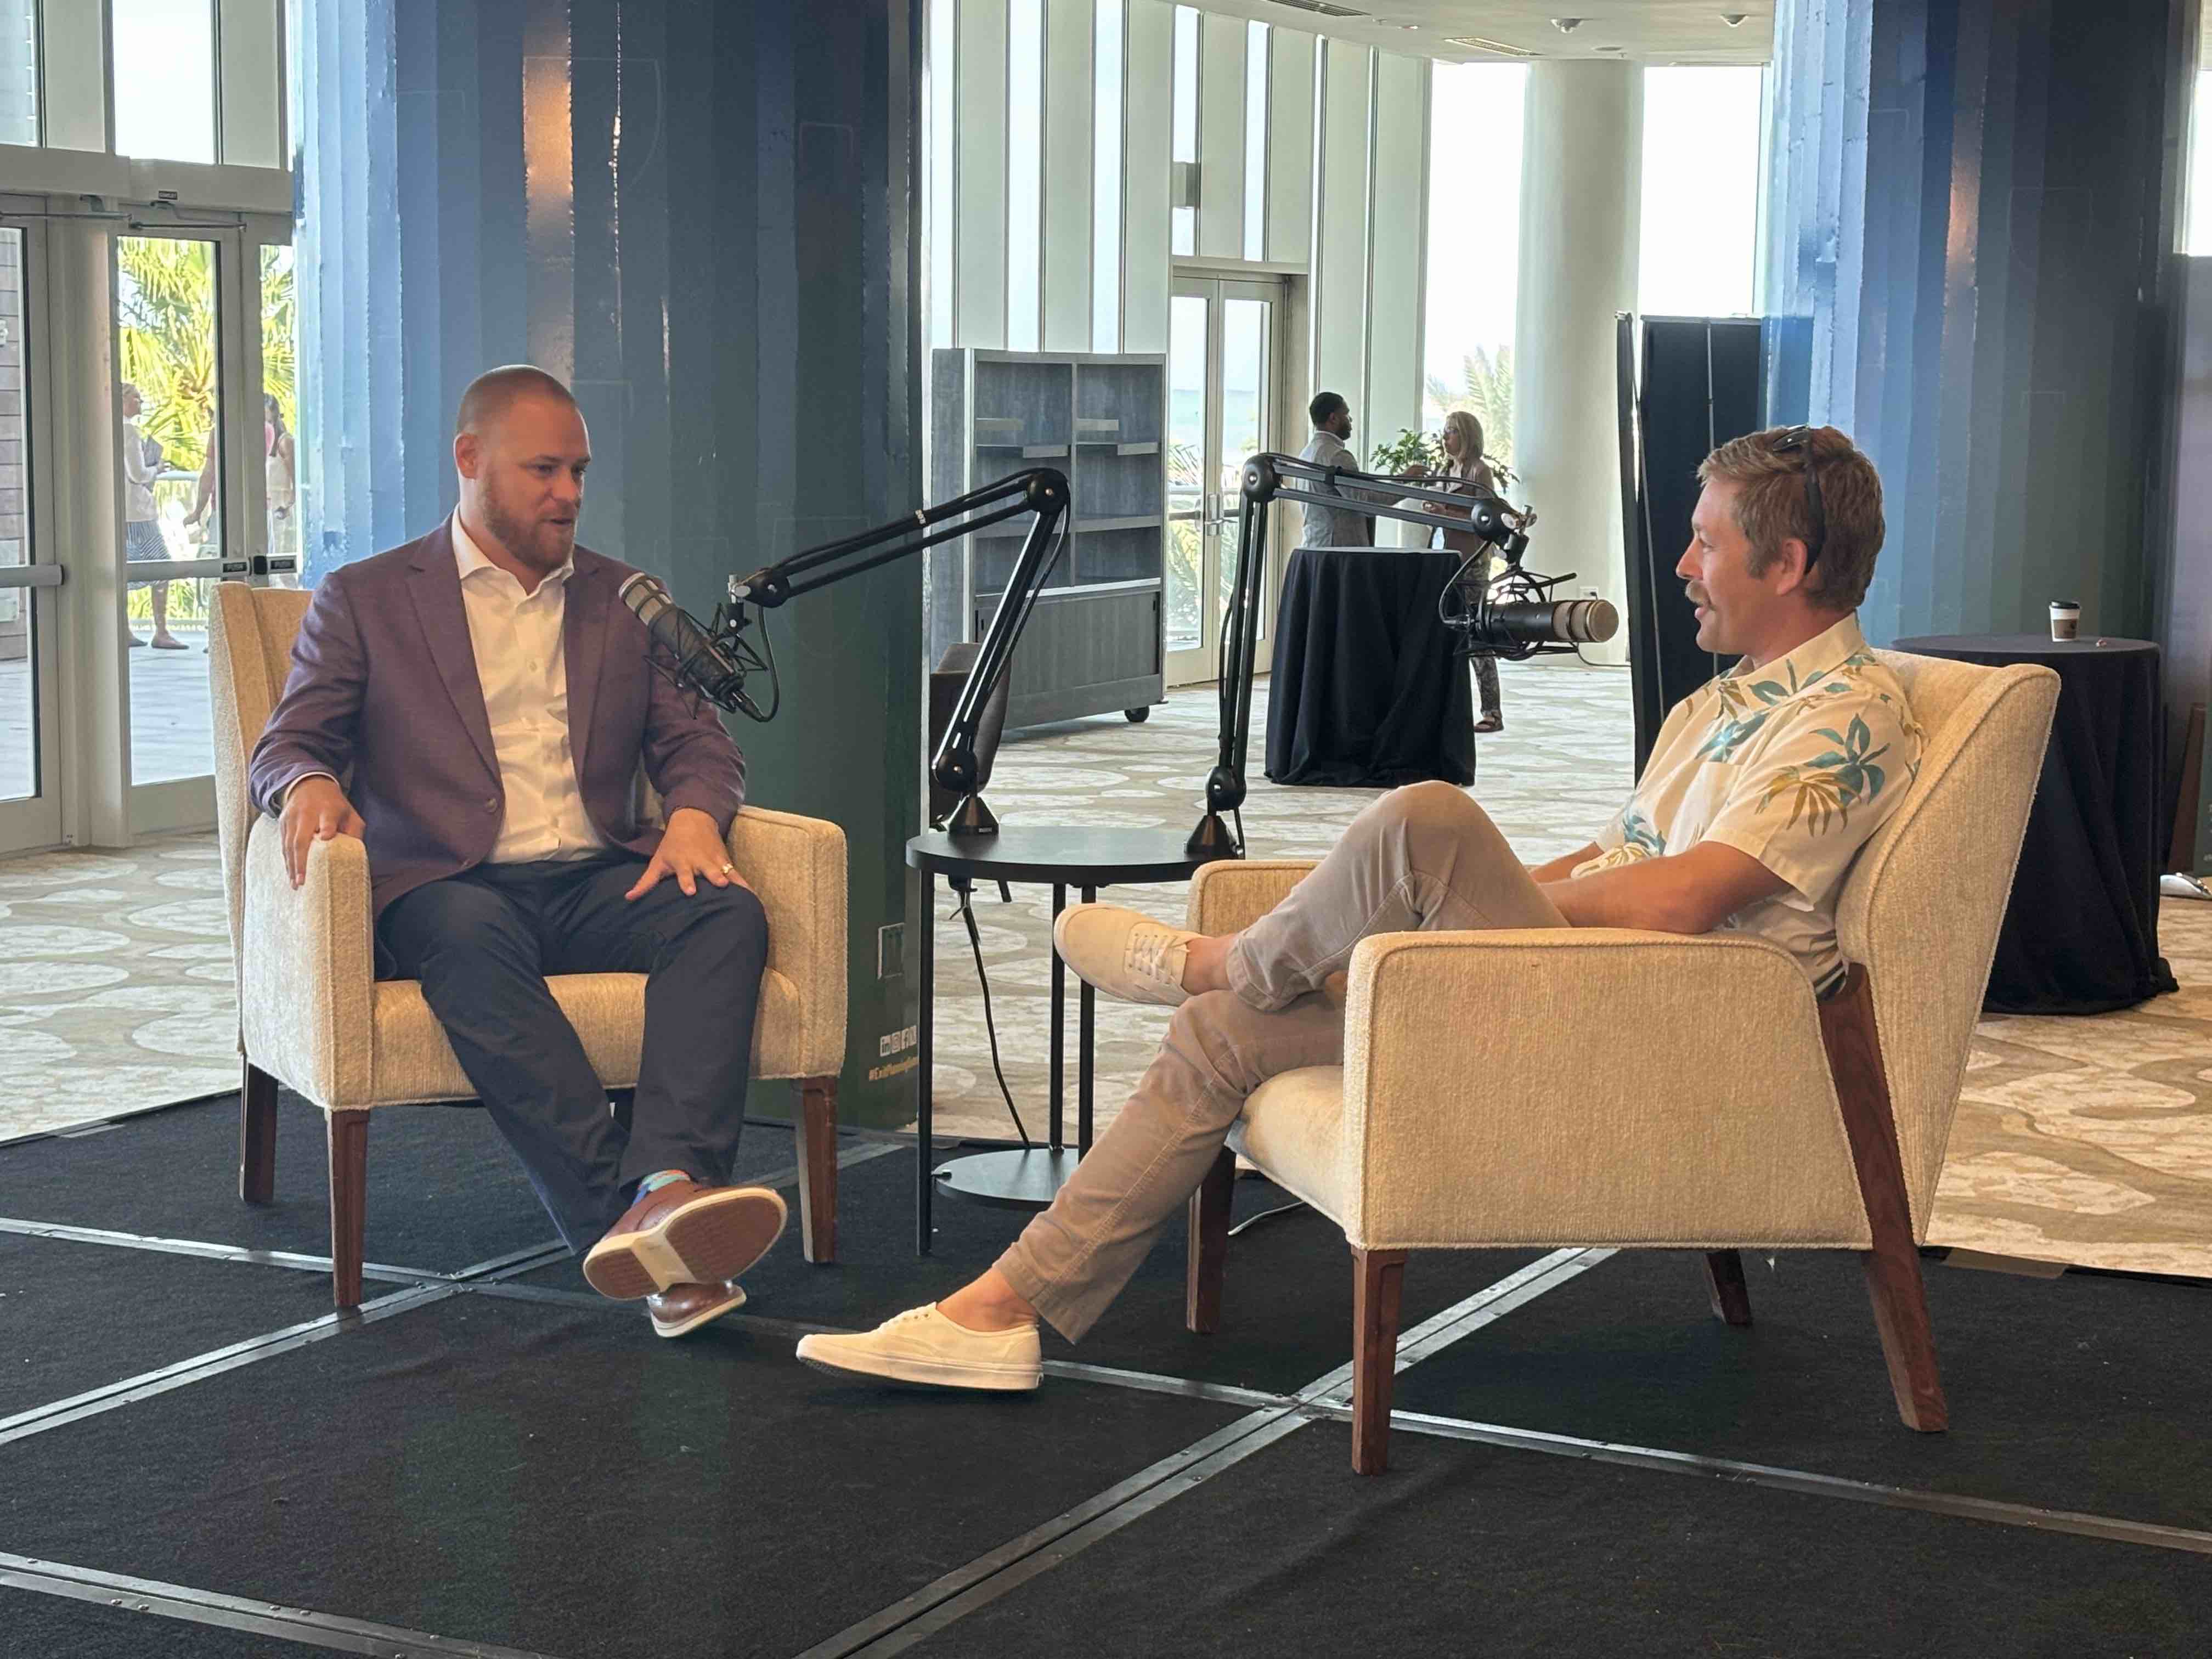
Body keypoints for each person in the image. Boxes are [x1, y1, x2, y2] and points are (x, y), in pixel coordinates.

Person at [796, 424, 1922, 1390]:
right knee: (1225, 1032)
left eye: (1707, 541)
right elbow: (1616, 855)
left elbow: (1683, 899)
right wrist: (1464, 921)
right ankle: (999, 1312)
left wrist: (1476, 904)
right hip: (1594, 984)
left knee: (1426, 819)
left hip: (1670, 1024)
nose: (1682, 563)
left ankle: (1217, 956)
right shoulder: (1719, 706)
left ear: (1786, 563)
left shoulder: (1846, 714)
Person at [250, 364, 782, 1340]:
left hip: (594, 876)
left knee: (724, 911)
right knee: (464, 930)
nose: (568, 493)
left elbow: (698, 746)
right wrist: (310, 782)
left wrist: (696, 813)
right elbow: (290, 741)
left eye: (578, 471)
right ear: (470, 459)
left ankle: (666, 1184)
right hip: (448, 883)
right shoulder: (367, 598)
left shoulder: (628, 599)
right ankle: (634, 1226)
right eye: (544, 470)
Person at [1424, 410, 1509, 733]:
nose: (1445, 437)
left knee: (1477, 634)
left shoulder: (1479, 472)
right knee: (1444, 632)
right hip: (1443, 558)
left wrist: (1447, 511)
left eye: (1452, 431)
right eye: (1445, 431)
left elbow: (1486, 519)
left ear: (1467, 436)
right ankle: (1446, 710)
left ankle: (1492, 712)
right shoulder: (1444, 471)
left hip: (1472, 561)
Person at [120, 382, 185, 651]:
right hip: (138, 513)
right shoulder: (128, 431)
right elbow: (137, 474)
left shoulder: (107, 429)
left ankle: (123, 628)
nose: (141, 402)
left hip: (120, 512)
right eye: (136, 397)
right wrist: (156, 468)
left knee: (123, 569)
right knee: (162, 567)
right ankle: (162, 631)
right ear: (123, 401)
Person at [1295, 391, 1375, 549]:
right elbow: (1365, 500)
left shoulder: (1305, 454)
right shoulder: (1337, 456)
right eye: (1347, 414)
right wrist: (1403, 482)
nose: (1350, 420)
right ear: (1333, 418)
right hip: (1338, 550)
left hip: (1313, 546)